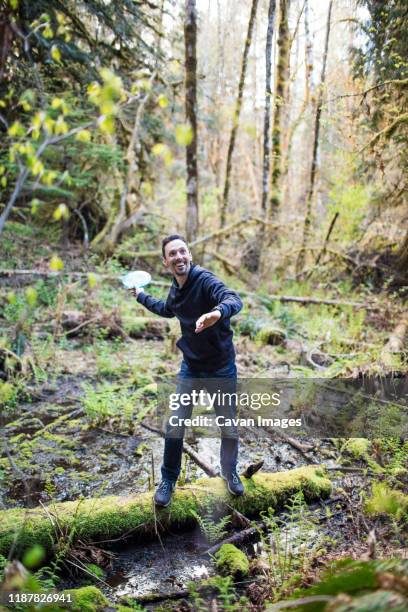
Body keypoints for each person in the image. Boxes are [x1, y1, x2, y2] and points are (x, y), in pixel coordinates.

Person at [131, 234, 244, 506]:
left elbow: (233, 298)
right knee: (175, 423)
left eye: (183, 252)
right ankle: (169, 479)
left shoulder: (204, 280)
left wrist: (217, 313)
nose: (179, 257)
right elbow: (168, 310)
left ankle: (229, 473)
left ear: (189, 255)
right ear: (166, 262)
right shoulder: (176, 287)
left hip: (220, 367)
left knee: (227, 423)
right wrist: (141, 296)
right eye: (173, 254)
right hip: (191, 367)